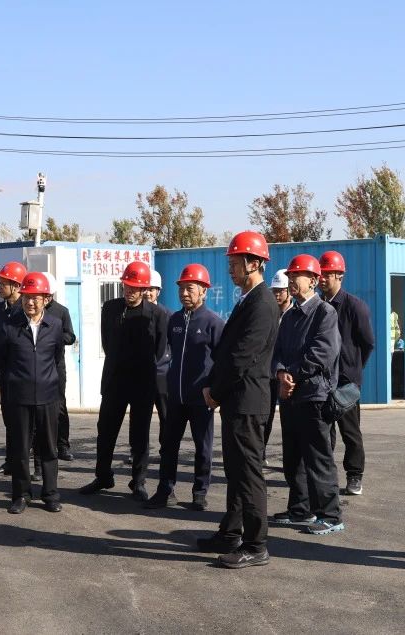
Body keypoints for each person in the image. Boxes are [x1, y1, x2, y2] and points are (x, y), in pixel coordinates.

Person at [196, 231, 279, 569]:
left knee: (248, 474)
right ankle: (230, 533)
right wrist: (213, 384)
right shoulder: (248, 299)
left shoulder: (263, 304)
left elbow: (242, 356)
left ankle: (256, 545)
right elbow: (227, 351)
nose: (230, 269)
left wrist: (215, 392)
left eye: (234, 263)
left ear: (253, 263)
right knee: (235, 471)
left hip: (248, 402)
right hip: (236, 400)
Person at [80, 261, 168, 501]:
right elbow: (107, 343)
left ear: (144, 289)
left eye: (135, 288)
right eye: (127, 286)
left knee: (139, 435)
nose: (129, 291)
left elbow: (160, 349)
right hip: (114, 381)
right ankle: (103, 476)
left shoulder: (157, 314)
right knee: (105, 431)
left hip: (142, 383)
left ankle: (138, 482)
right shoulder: (110, 308)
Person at [271, 254, 344, 535]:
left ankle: (330, 515)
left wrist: (292, 375)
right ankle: (300, 508)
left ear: (313, 280)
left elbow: (322, 353)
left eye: (296, 276)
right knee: (293, 458)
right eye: (290, 276)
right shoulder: (289, 316)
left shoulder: (325, 313)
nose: (291, 281)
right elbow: (277, 351)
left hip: (314, 396)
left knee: (318, 458)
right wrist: (281, 373)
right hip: (290, 396)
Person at [145, 264, 224, 511]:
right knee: (169, 445)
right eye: (181, 289)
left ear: (204, 291)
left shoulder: (213, 323)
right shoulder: (175, 320)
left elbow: (222, 361)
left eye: (190, 288)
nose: (184, 293)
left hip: (201, 398)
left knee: (203, 447)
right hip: (175, 397)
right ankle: (165, 490)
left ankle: (199, 492)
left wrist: (214, 390)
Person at [0, 272, 64, 514]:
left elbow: (57, 357)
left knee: (49, 448)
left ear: (46, 299)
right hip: (19, 396)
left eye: (35, 297)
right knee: (20, 449)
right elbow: (1, 359)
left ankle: (50, 494)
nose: (30, 302)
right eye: (26, 297)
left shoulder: (55, 325)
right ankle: (21, 495)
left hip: (48, 396)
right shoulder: (9, 325)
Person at [318, 250, 375, 496]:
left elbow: (367, 343)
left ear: (339, 276)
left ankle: (354, 475)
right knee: (323, 431)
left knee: (350, 432)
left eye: (327, 274)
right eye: (320, 274)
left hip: (346, 383)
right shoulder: (319, 306)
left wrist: (353, 370)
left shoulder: (354, 306)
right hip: (322, 381)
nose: (322, 279)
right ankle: (324, 474)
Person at [0, 261, 27, 477]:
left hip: (24, 374)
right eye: (0, 283)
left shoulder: (27, 309)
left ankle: (34, 466)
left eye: (4, 284)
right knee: (9, 419)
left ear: (17, 285)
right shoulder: (0, 310)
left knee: (27, 422)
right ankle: (11, 461)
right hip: (6, 373)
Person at [41, 273, 77, 462]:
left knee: (59, 405)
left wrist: (53, 337)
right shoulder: (29, 310)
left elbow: (70, 336)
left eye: (47, 295)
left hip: (56, 366)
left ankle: (63, 445)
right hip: (35, 367)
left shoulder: (61, 311)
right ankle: (37, 446)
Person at [264, 270, 292, 468]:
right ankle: (260, 453)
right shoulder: (268, 313)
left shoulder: (295, 314)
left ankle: (291, 460)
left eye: (280, 291)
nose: (276, 294)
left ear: (289, 291)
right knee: (265, 416)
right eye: (274, 290)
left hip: (287, 374)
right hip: (268, 374)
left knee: (289, 419)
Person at [145, 269, 173, 464]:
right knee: (141, 417)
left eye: (152, 289)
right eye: (145, 288)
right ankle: (139, 451)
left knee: (166, 415)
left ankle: (166, 450)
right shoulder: (134, 314)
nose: (148, 292)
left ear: (158, 291)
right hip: (141, 375)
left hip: (162, 373)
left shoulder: (167, 314)